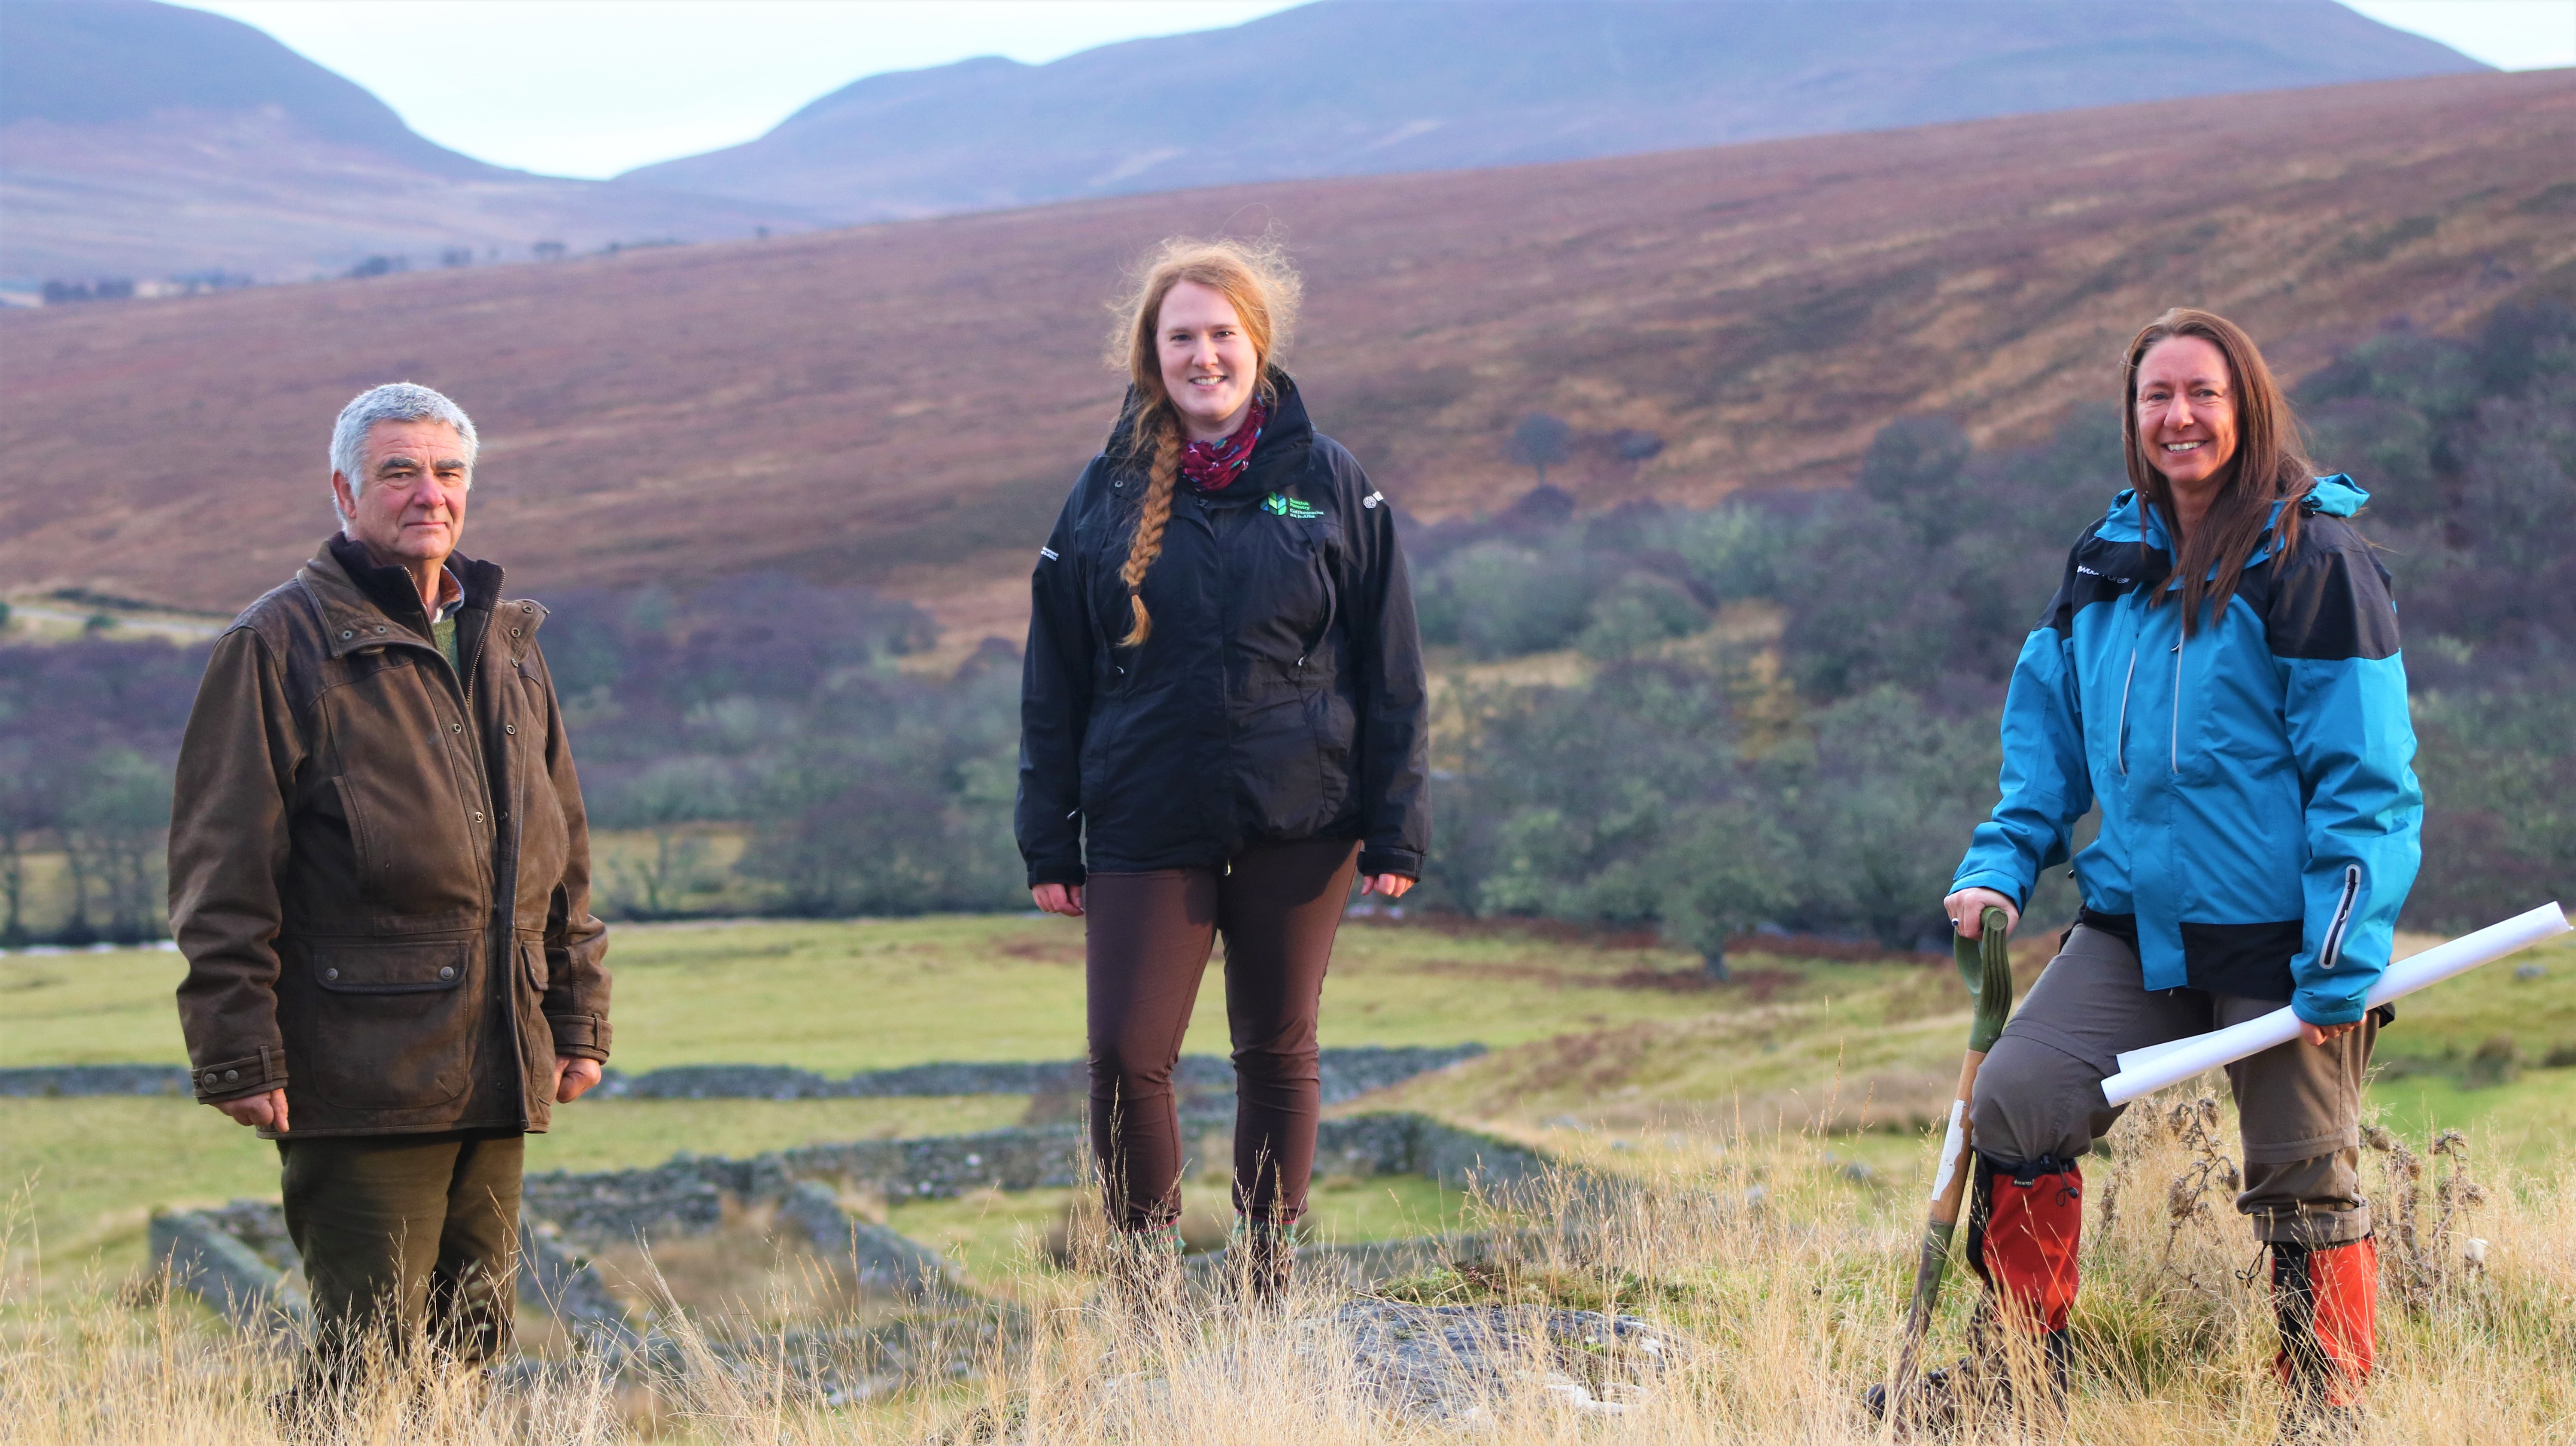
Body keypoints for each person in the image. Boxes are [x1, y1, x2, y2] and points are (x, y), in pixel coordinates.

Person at [1885, 308, 2421, 1433]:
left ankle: (2330, 1412)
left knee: (2302, 1173)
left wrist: (2337, 964)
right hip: (2137, 932)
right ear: (2134, 419)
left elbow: (2368, 782)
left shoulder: (2312, 557)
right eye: (2156, 397)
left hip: (2287, 942)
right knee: (2019, 1100)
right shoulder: (2104, 561)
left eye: (2203, 394)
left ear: (2247, 406)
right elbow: (2046, 751)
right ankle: (2020, 1381)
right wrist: (1999, 866)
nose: (2179, 416)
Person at [170, 382, 612, 1405]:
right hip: (360, 1061)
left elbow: (562, 848)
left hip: (500, 1049)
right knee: (366, 1352)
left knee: (472, 1339)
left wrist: (576, 1015)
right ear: (344, 490)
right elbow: (221, 870)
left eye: (448, 472)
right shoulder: (276, 646)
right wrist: (239, 1050)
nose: (429, 495)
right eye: (399, 472)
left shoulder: (506, 641)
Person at [1017, 237, 1429, 1297]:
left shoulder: (1333, 481)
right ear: (1151, 357)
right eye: (1181, 337)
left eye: (1222, 335)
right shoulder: (1100, 495)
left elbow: (1390, 665)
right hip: (1146, 814)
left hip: (1305, 815)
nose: (1205, 355)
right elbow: (1054, 680)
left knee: (1276, 1048)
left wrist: (1397, 825)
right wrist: (1046, 836)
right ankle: (1148, 1291)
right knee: (1124, 1053)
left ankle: (1263, 1284)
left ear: (1259, 345)